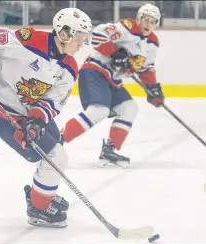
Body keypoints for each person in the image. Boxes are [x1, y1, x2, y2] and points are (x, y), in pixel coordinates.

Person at [0, 8, 92, 228]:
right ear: (65, 33)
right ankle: (39, 208)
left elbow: (52, 101)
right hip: (1, 113)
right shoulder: (28, 41)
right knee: (56, 157)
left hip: (27, 114)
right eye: (80, 37)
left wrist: (36, 121)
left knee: (54, 148)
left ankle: (41, 193)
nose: (82, 43)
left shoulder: (69, 68)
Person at [60, 3, 164, 168]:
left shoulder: (152, 44)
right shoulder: (128, 28)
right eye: (145, 19)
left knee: (130, 108)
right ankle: (57, 142)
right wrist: (114, 53)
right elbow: (97, 35)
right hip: (95, 71)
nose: (148, 24)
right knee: (99, 111)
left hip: (112, 79)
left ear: (156, 24)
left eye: (152, 21)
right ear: (139, 18)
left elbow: (145, 69)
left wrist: (153, 89)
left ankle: (109, 151)